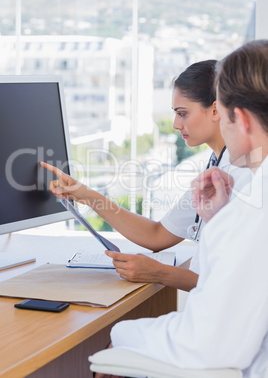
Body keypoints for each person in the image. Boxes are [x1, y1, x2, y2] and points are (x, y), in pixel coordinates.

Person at [95, 40, 268, 378]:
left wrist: (120, 336)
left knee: (109, 355)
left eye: (182, 112)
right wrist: (218, 220)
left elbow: (209, 343)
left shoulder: (253, 207)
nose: (176, 124)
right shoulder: (241, 192)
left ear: (241, 120)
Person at [41, 60, 247, 291]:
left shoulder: (244, 173)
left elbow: (240, 284)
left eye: (182, 113)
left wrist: (159, 273)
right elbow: (157, 235)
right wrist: (85, 195)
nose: (175, 124)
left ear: (215, 110)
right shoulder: (216, 165)